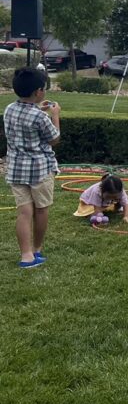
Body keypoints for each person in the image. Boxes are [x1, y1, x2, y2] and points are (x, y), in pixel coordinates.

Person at [4, 68, 60, 268]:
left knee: (24, 213)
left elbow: (25, 118)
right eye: (43, 89)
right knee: (41, 210)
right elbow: (54, 139)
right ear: (38, 92)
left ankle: (25, 256)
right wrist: (55, 116)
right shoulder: (40, 118)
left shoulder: (9, 109)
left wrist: (40, 110)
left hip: (16, 169)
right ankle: (37, 249)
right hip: (40, 170)